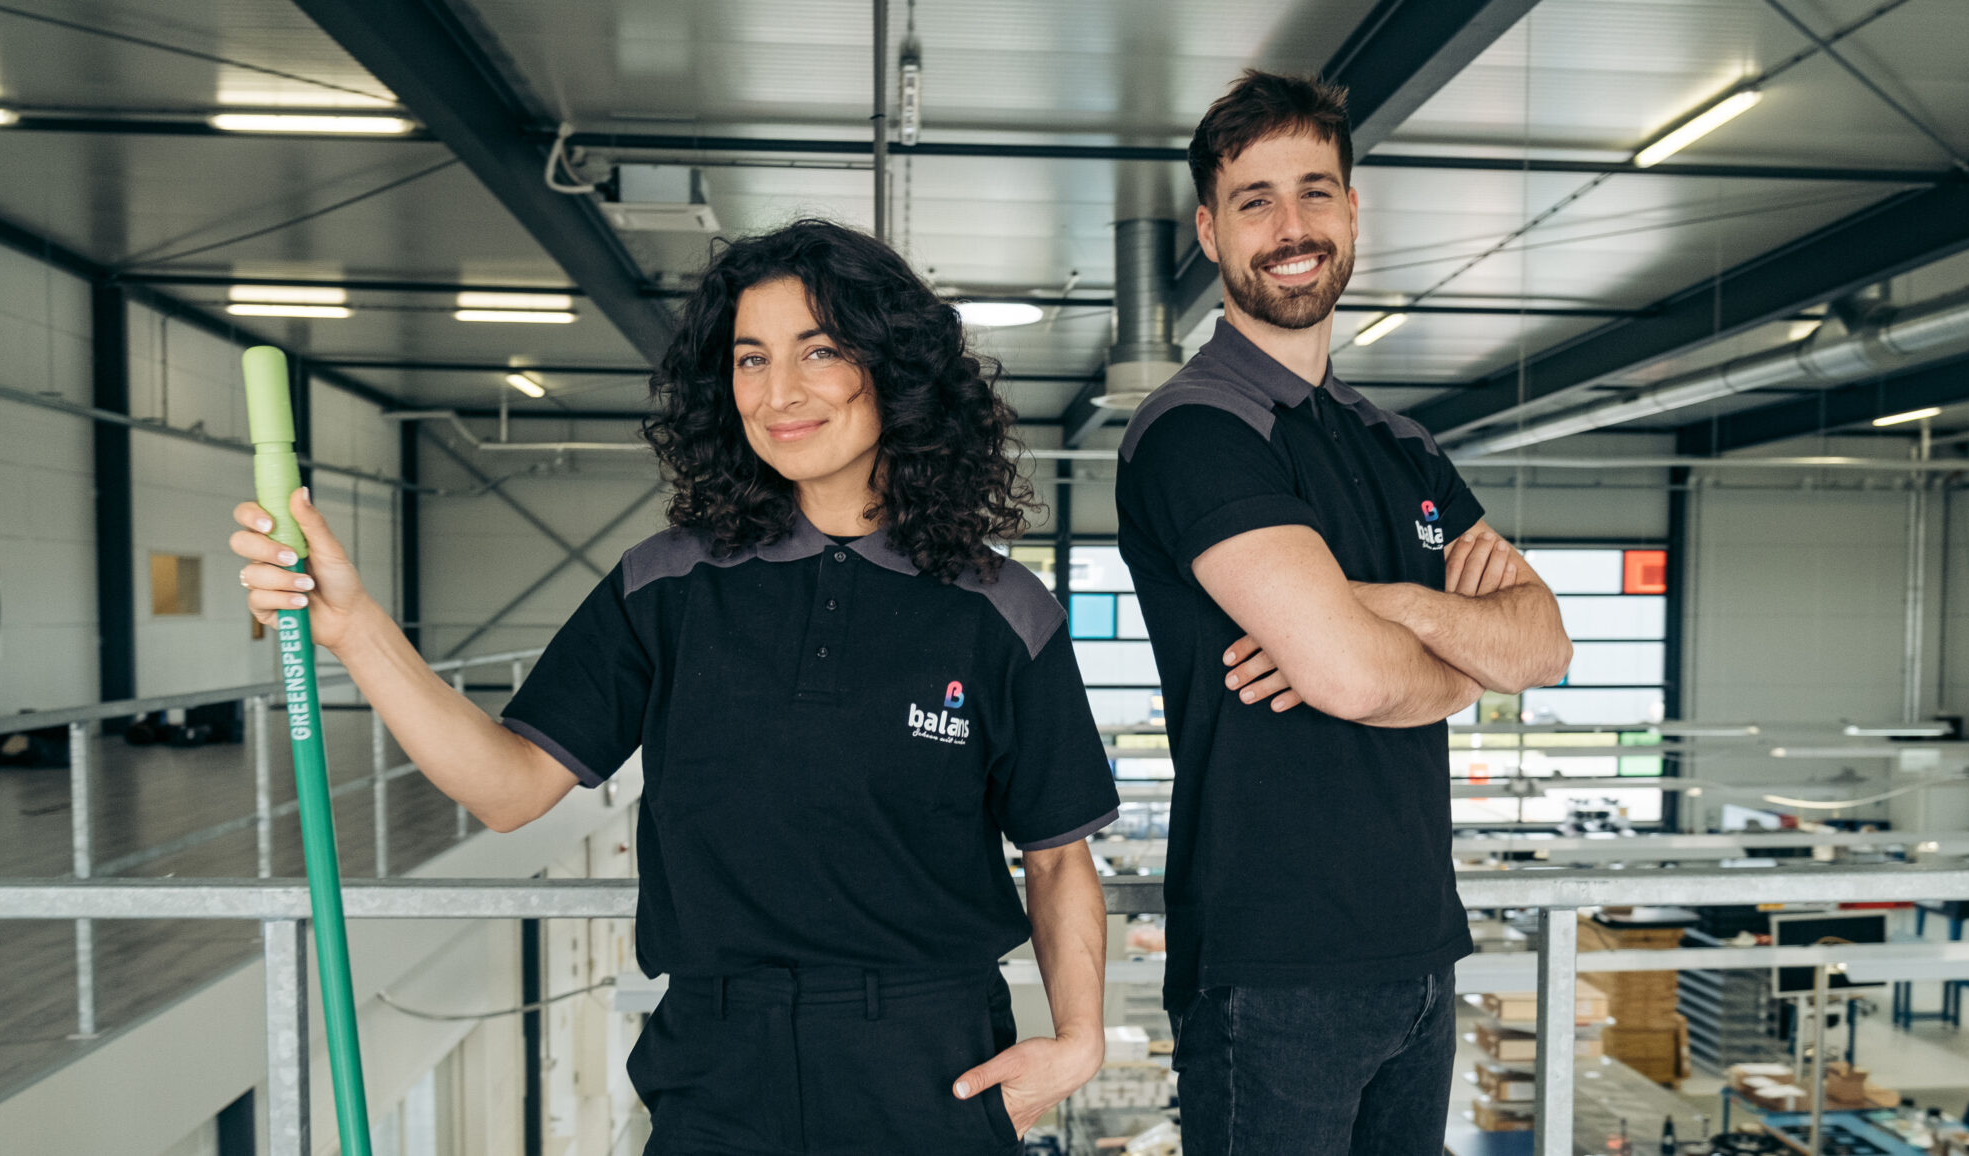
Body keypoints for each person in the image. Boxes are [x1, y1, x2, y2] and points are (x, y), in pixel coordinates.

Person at [228, 219, 1119, 1155]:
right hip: (716, 1068)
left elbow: (1058, 854)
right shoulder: (666, 585)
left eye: (819, 350)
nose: (779, 392)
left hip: (932, 1064)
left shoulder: (1003, 610)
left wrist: (1080, 1040)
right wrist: (355, 624)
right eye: (749, 358)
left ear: (893, 369)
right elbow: (506, 788)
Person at [1114, 72, 1574, 1154]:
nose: (1291, 227)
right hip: (1273, 970)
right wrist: (1452, 654)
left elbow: (1543, 645)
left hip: (1417, 955)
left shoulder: (1399, 445)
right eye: (1255, 200)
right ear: (1209, 230)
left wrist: (1384, 605)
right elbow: (1353, 678)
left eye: (1315, 192)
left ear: (1352, 211)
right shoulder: (1195, 431)